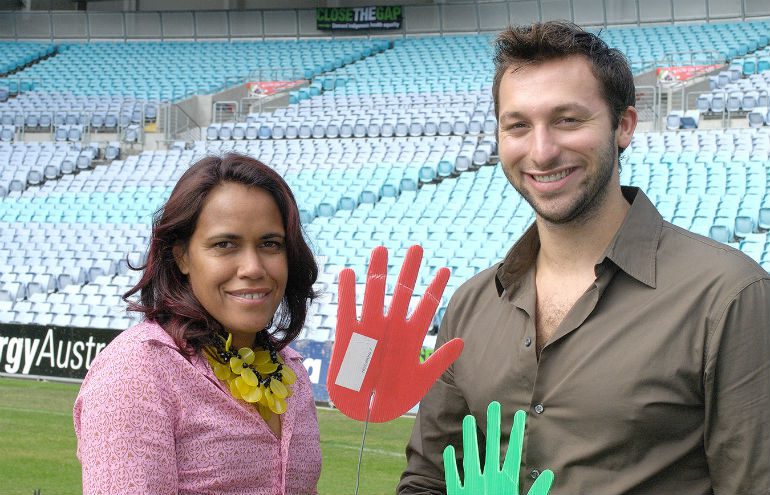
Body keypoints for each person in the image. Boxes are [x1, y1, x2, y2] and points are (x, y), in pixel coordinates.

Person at [398, 21, 770, 495]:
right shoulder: (471, 305)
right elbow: (428, 480)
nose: (542, 150)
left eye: (568, 120)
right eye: (518, 126)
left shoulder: (729, 296)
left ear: (624, 126)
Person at [73, 153, 322, 494]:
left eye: (270, 244)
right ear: (183, 256)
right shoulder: (139, 370)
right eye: (225, 244)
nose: (252, 267)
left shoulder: (291, 371)